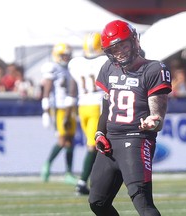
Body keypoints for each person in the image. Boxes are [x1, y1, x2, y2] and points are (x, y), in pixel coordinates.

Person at [88, 20, 172, 216]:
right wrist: (100, 132)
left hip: (136, 139)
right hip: (110, 144)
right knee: (97, 202)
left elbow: (157, 116)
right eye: (114, 48)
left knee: (142, 202)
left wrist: (154, 121)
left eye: (123, 45)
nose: (120, 52)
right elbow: (107, 105)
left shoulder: (154, 69)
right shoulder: (108, 68)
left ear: (134, 41)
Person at [66, 32, 108, 195]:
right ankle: (82, 182)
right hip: (97, 105)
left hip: (82, 106)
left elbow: (72, 88)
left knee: (96, 145)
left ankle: (90, 180)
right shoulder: (105, 61)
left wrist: (69, 112)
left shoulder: (75, 63)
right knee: (94, 145)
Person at [40, 42, 77, 184]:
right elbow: (47, 89)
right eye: (63, 55)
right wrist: (45, 111)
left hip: (69, 107)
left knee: (70, 140)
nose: (66, 57)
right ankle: (47, 164)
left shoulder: (69, 68)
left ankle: (69, 173)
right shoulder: (52, 67)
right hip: (58, 108)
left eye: (68, 55)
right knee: (62, 140)